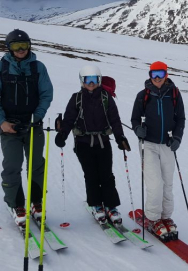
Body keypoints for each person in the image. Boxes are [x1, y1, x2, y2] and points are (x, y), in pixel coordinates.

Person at [0, 29, 53, 226]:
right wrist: (1, 122)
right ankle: (16, 204)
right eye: (16, 46)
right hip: (10, 126)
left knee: (36, 165)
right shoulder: (0, 68)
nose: (21, 49)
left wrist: (37, 116)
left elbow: (46, 94)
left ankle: (36, 202)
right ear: (9, 48)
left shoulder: (38, 67)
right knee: (12, 165)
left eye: (24, 45)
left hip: (33, 124)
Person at [55, 65, 131, 224]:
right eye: (87, 80)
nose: (91, 83)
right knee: (91, 175)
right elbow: (69, 119)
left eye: (94, 80)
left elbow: (115, 120)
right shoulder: (76, 98)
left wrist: (120, 137)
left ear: (99, 80)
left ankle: (111, 206)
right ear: (82, 81)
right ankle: (96, 205)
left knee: (107, 175)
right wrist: (63, 134)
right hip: (83, 144)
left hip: (103, 143)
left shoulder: (105, 97)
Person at [130, 61, 185, 238]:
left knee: (168, 184)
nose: (157, 78)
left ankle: (166, 217)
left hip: (168, 145)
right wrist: (138, 129)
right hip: (149, 144)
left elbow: (181, 119)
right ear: (150, 75)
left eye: (161, 74)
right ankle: (153, 218)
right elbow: (134, 119)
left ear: (166, 75)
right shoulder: (143, 95)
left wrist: (177, 138)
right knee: (155, 184)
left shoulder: (174, 94)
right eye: (154, 74)